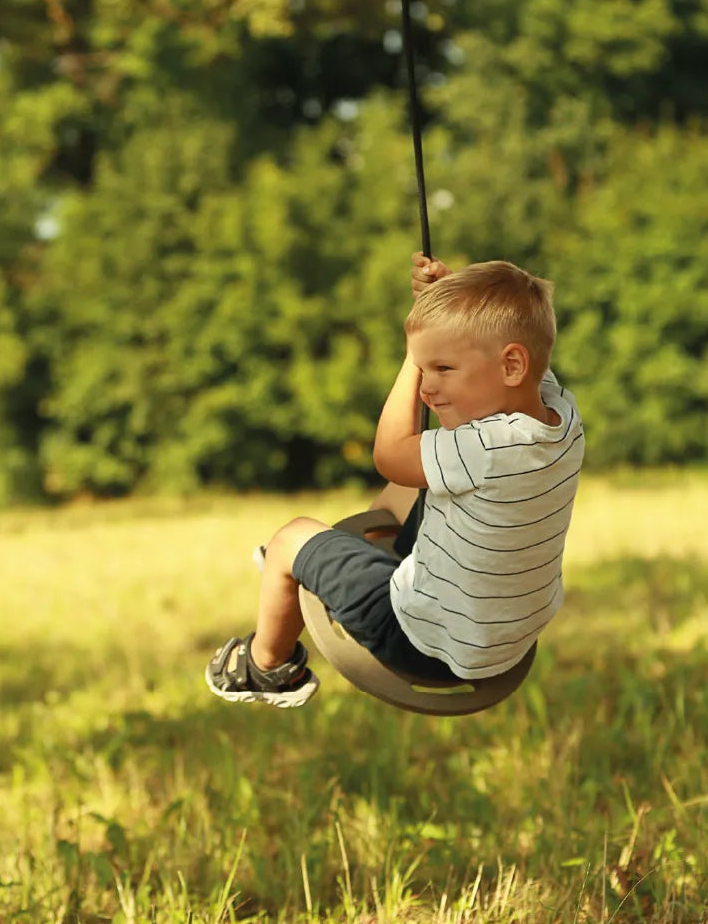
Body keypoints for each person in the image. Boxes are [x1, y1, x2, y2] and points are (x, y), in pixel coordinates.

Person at [205, 253, 585, 708]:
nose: (427, 387)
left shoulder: (484, 450)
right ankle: (352, 561)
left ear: (512, 366)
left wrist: (413, 354)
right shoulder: (561, 415)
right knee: (418, 480)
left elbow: (389, 455)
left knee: (290, 539)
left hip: (421, 641)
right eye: (427, 368)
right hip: (504, 638)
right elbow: (514, 346)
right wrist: (443, 309)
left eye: (442, 369)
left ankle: (266, 668)